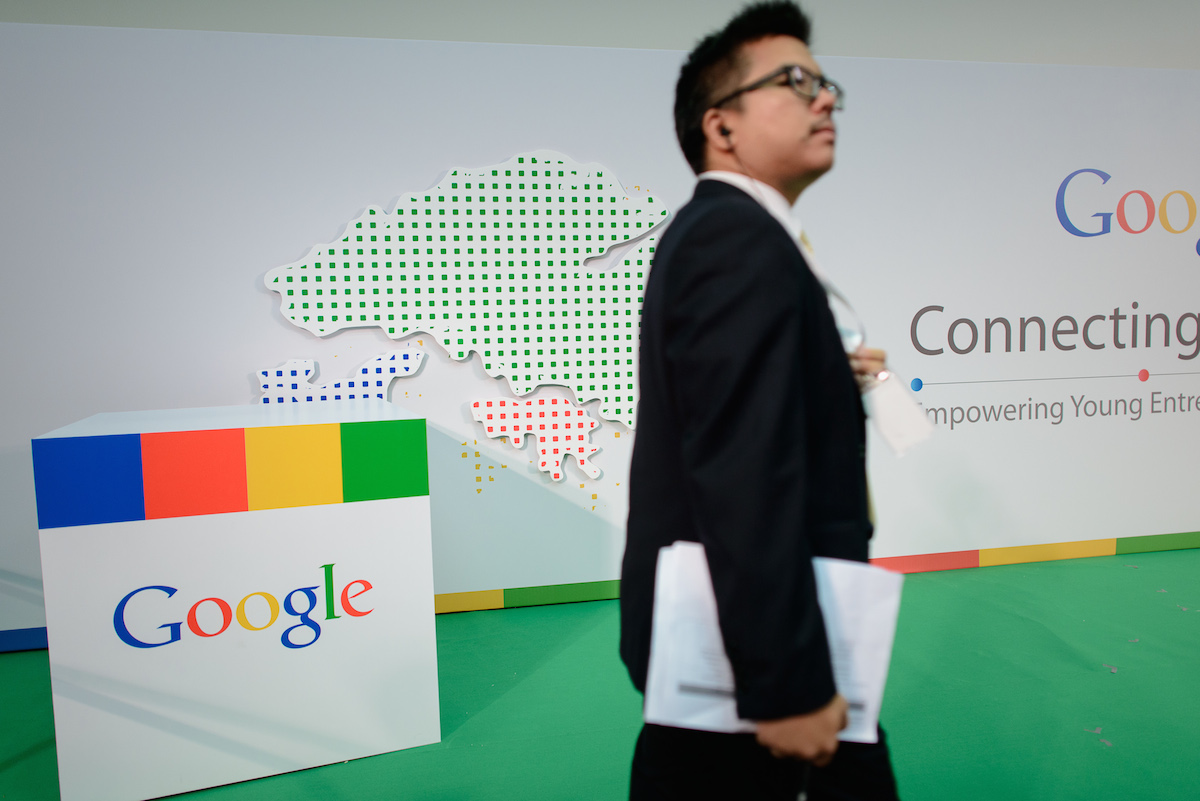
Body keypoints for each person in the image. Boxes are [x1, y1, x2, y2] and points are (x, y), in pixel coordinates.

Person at [620, 2, 899, 799]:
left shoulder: (733, 232)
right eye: (795, 81)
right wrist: (785, 685)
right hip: (752, 660)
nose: (825, 99)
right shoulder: (736, 238)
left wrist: (821, 377)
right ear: (722, 125)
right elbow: (742, 471)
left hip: (743, 640)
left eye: (825, 83)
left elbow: (736, 415)